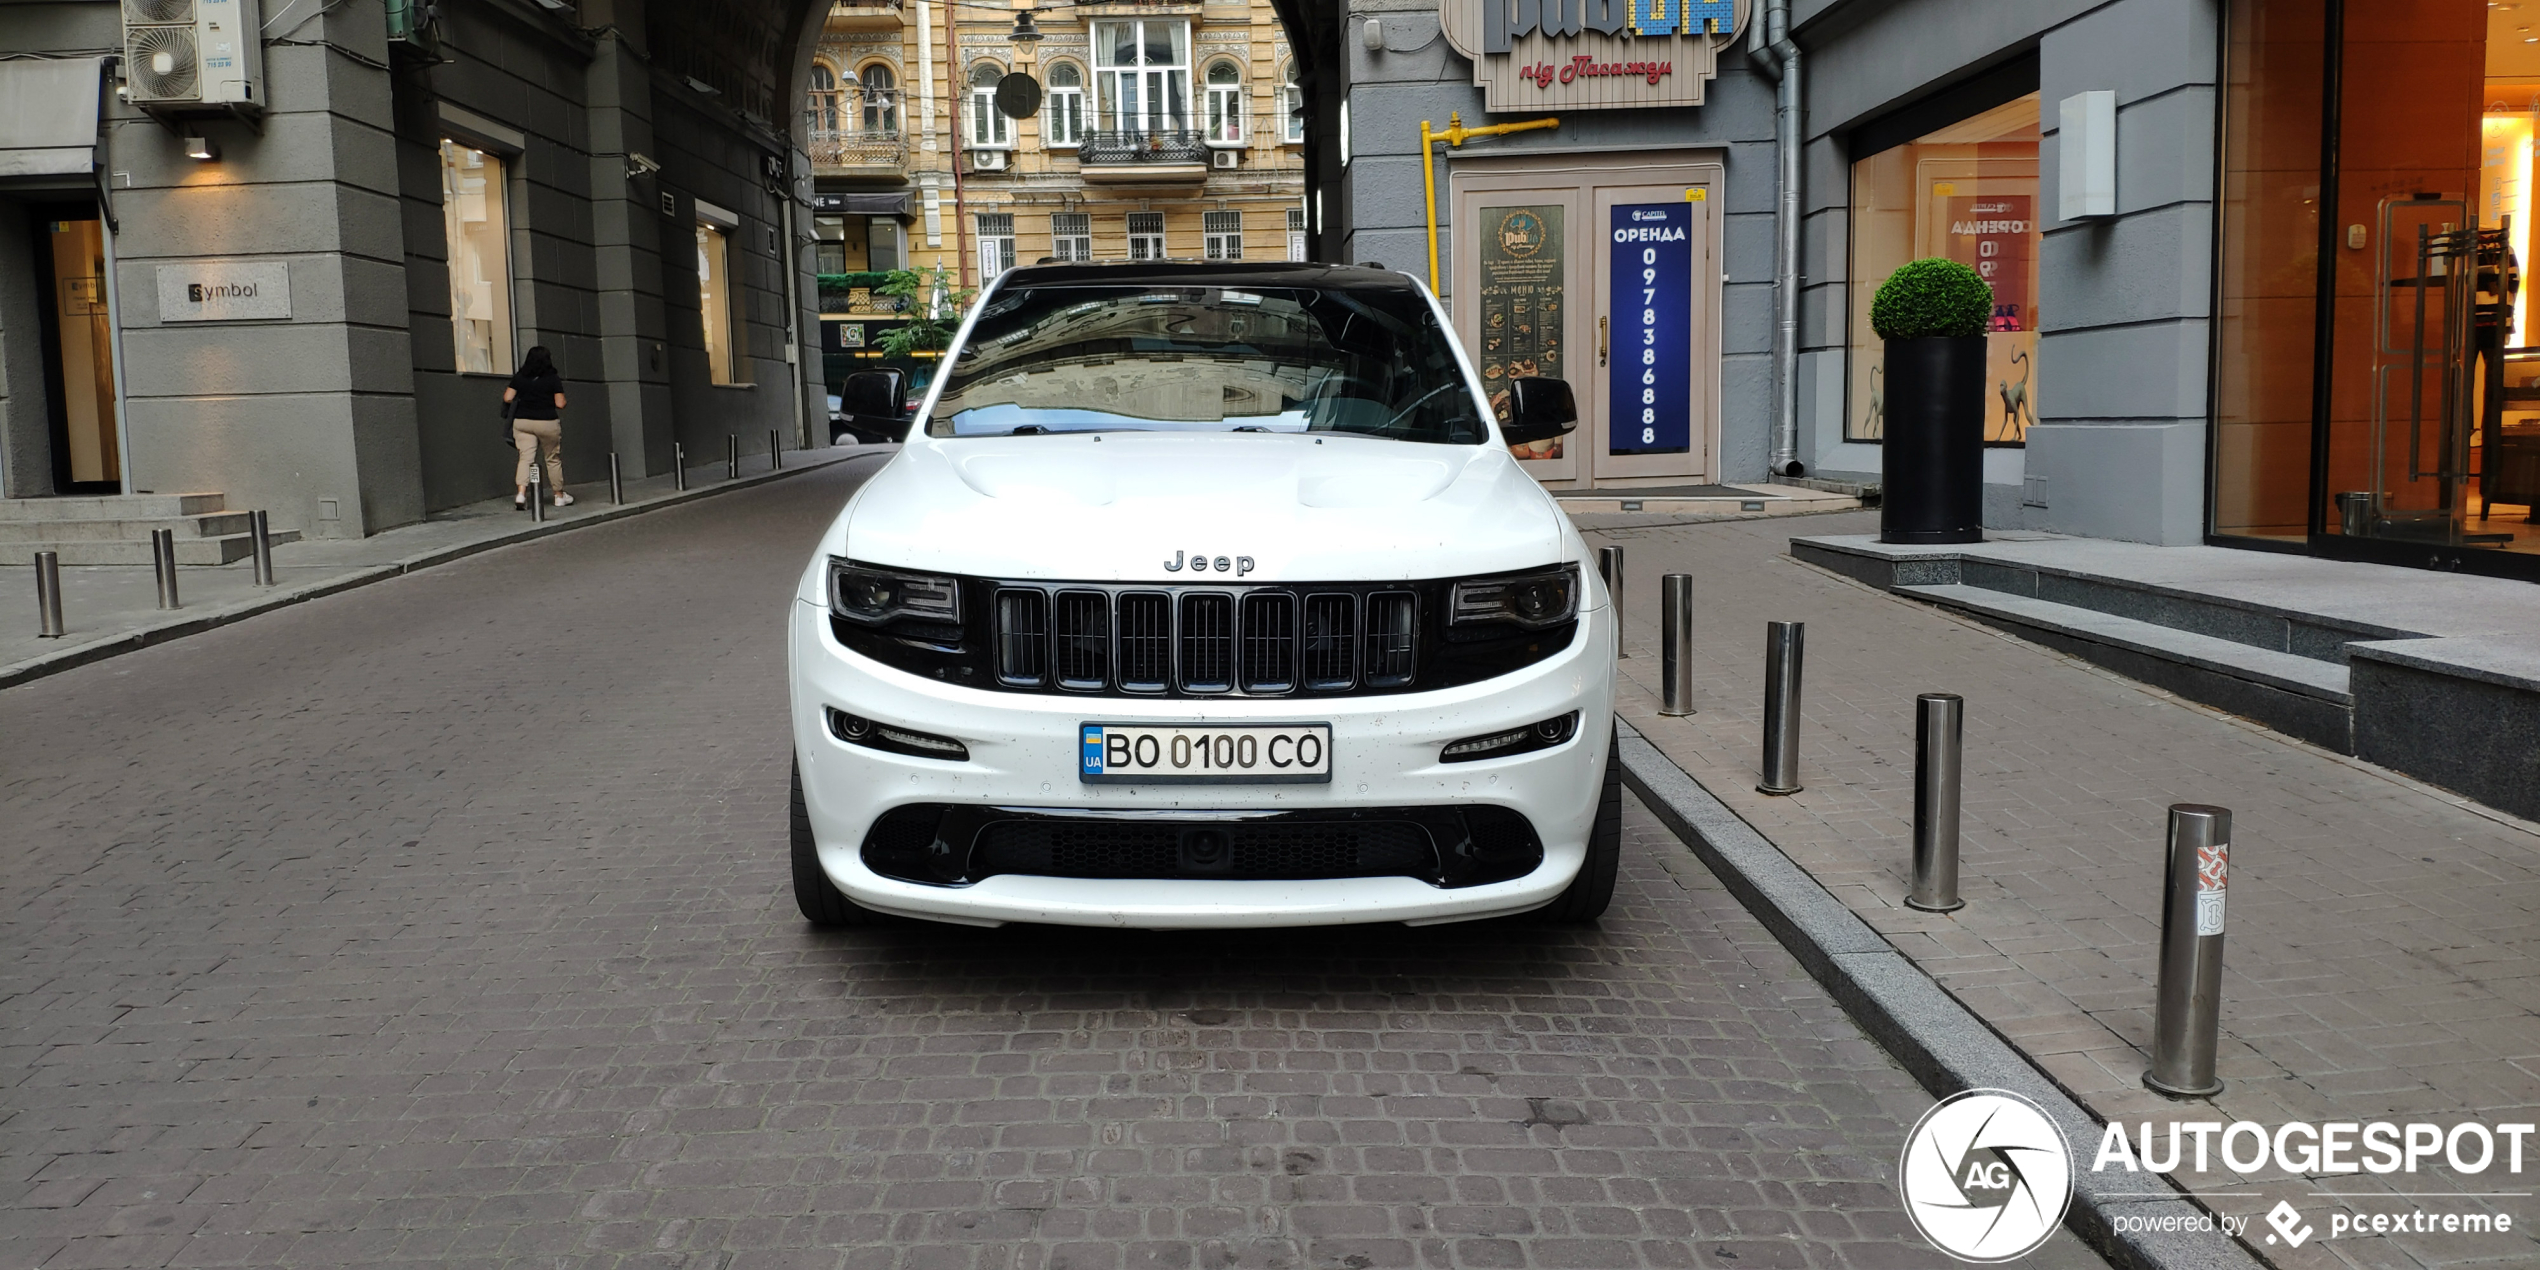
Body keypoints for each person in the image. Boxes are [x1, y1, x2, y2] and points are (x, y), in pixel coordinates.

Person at [504, 346, 572, 509]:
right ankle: (559, 496)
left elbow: (507, 398)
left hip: (522, 422)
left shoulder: (520, 377)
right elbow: (560, 403)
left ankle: (521, 495)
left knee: (525, 458)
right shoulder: (552, 378)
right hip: (546, 422)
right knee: (552, 458)